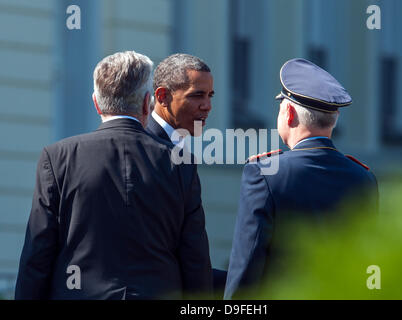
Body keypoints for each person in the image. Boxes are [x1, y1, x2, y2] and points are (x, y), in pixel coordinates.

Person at [15, 51, 213, 299]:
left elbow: (38, 252)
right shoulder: (181, 163)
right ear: (146, 103)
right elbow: (194, 258)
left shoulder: (58, 157)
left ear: (96, 103)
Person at [224, 58, 379, 299]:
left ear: (289, 113)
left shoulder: (265, 172)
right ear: (333, 118)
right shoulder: (363, 178)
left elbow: (248, 263)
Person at [147, 53, 227, 298]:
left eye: (210, 96)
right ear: (162, 97)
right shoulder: (149, 152)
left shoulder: (177, 149)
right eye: (197, 95)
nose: (207, 105)